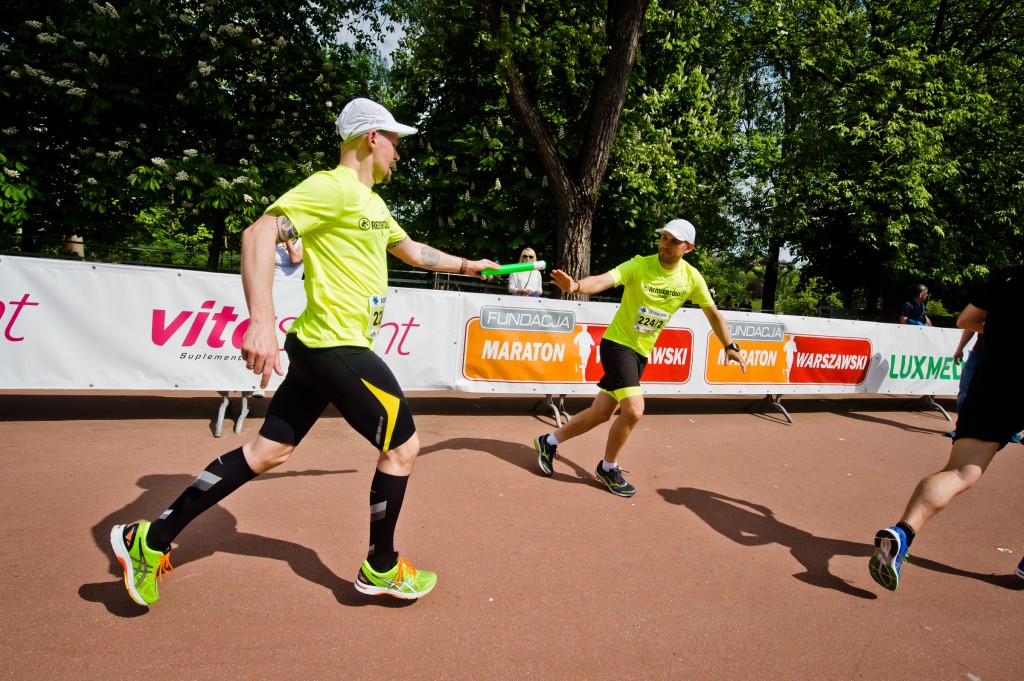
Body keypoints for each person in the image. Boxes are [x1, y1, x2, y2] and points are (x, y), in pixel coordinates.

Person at [110, 97, 499, 606]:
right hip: (336, 345)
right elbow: (259, 233)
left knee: (268, 450)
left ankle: (149, 538)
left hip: (321, 346)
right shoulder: (330, 188)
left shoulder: (373, 205)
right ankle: (380, 567)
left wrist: (471, 266)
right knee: (403, 448)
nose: (399, 154)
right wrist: (262, 321)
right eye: (395, 142)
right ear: (371, 139)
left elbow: (413, 252)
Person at [533, 219, 747, 497]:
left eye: (674, 241)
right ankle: (608, 467)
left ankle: (548, 441)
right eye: (664, 238)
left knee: (601, 413)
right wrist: (575, 286)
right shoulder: (639, 265)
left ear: (689, 247)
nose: (666, 245)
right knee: (634, 410)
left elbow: (713, 313)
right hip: (617, 344)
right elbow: (602, 280)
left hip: (640, 352)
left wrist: (730, 345)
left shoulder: (691, 278)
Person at [869, 264, 1024, 591]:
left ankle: (903, 532)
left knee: (959, 472)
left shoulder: (1008, 275)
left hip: (995, 383)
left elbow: (966, 321)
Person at [251, 237, 304, 398]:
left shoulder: (304, 241)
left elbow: (296, 259)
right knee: (267, 337)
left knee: (290, 341)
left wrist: (287, 242)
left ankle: (290, 381)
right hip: (273, 294)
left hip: (294, 297)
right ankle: (258, 384)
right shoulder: (271, 241)